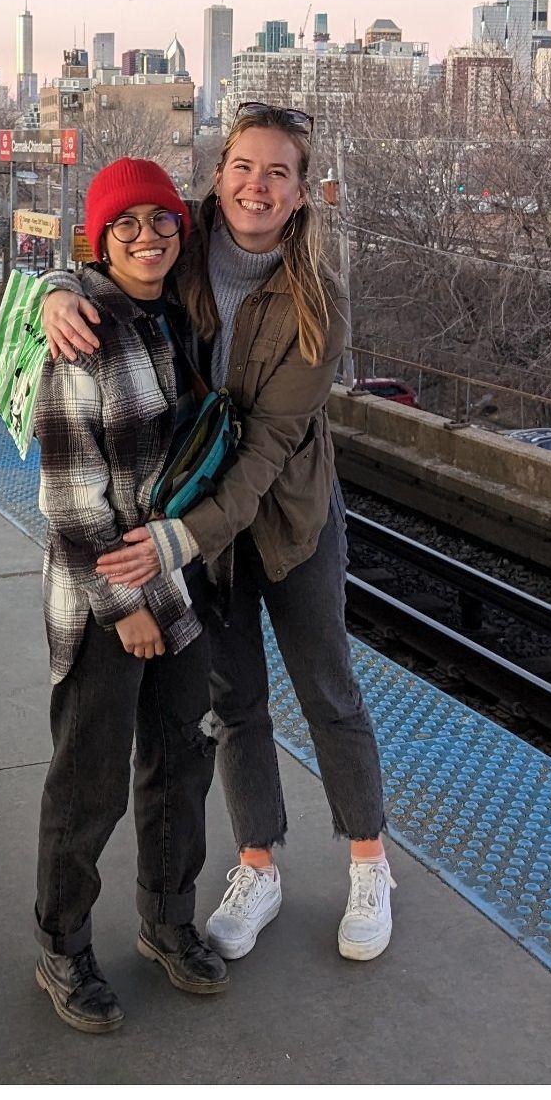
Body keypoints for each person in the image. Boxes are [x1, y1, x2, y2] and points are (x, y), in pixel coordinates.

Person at [42, 105, 394, 963]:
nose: (257, 186)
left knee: (327, 690)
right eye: (243, 167)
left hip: (287, 518)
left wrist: (178, 542)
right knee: (233, 702)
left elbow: (267, 448)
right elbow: (110, 248)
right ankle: (258, 865)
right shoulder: (181, 238)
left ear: (303, 192)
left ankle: (368, 863)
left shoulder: (318, 302)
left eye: (278, 172)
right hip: (200, 526)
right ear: (218, 174)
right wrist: (55, 290)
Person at [32, 158, 225, 1033]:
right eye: (127, 225)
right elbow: (71, 499)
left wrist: (164, 589)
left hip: (178, 584)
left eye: (162, 221)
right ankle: (62, 946)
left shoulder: (176, 315)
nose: (149, 237)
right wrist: (127, 606)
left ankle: (168, 919)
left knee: (182, 760)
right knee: (90, 781)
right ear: (100, 239)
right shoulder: (83, 334)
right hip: (105, 598)